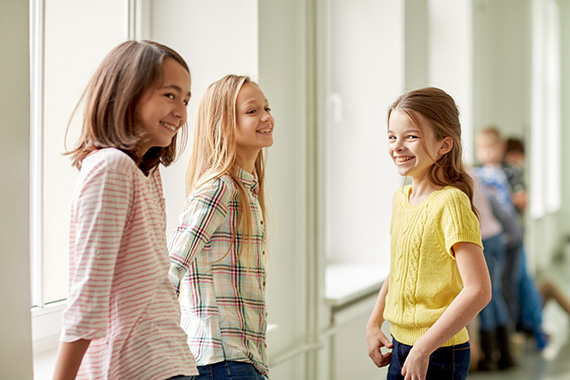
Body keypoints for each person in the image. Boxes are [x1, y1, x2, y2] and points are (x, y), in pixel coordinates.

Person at [52, 40, 198, 380]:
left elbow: (88, 297)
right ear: (128, 93)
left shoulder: (134, 171)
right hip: (160, 364)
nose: (181, 111)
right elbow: (92, 296)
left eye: (186, 100)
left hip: (145, 365)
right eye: (170, 95)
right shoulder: (117, 169)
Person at [366, 87, 492, 380]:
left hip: (438, 353)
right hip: (400, 345)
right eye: (391, 136)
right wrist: (373, 324)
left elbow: (479, 290)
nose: (397, 145)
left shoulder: (451, 202)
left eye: (411, 136)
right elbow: (399, 269)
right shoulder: (401, 199)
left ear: (444, 144)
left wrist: (424, 348)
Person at [168, 75, 274, 380]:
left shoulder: (245, 190)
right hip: (221, 363)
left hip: (240, 361)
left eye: (267, 108)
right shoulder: (218, 189)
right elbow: (172, 268)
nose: (266, 117)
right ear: (224, 122)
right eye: (252, 111)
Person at [471, 173, 515, 371]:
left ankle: (489, 357)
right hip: (495, 235)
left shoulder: (453, 176)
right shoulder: (470, 171)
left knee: (484, 296)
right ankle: (505, 356)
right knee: (493, 293)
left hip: (483, 239)